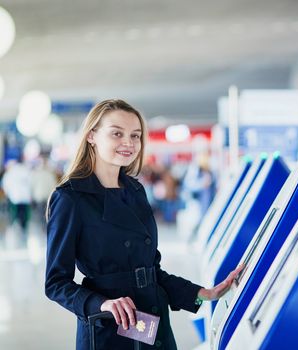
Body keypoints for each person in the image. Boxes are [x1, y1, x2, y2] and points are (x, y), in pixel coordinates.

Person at [45, 99, 244, 350]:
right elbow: (55, 283)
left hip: (152, 321)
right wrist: (101, 304)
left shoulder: (135, 190)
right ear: (92, 136)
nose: (128, 143)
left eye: (135, 135)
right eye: (117, 133)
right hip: (111, 328)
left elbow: (150, 271)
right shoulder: (71, 197)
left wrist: (203, 293)